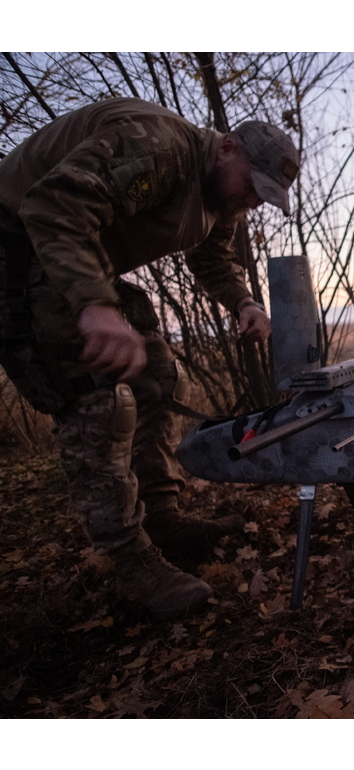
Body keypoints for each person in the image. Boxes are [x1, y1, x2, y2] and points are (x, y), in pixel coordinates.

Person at [0, 97, 299, 620]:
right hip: (16, 240)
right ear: (226, 148)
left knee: (160, 376)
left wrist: (244, 301)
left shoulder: (219, 196)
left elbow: (211, 257)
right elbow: (54, 204)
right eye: (252, 186)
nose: (252, 201)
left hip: (69, 257)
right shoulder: (157, 148)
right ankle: (129, 563)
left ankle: (161, 517)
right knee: (101, 396)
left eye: (264, 196)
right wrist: (95, 305)